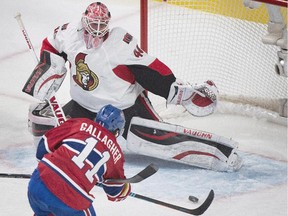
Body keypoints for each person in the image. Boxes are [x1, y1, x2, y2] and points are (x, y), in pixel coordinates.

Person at [23, 2, 242, 172]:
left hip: (126, 108)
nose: (98, 31)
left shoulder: (120, 42)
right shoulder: (69, 32)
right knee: (44, 126)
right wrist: (49, 69)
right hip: (84, 106)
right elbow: (52, 44)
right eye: (93, 25)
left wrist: (178, 92)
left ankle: (221, 154)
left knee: (160, 141)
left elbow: (150, 70)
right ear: (84, 21)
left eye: (102, 25)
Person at [27, 104, 131, 216]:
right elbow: (115, 192)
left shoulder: (79, 123)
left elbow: (44, 146)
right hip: (70, 198)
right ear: (117, 131)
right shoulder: (116, 153)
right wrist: (126, 188)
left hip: (37, 185)